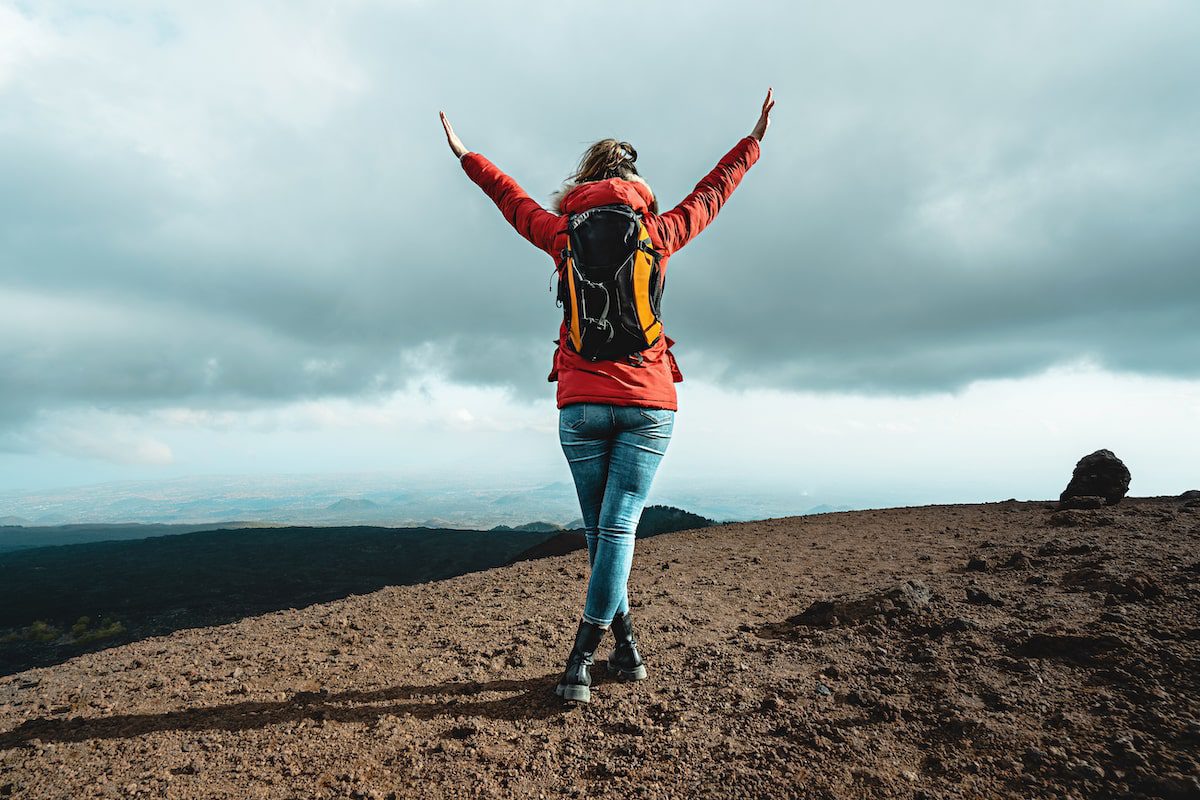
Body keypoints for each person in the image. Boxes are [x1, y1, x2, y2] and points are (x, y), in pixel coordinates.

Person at [439, 89, 774, 703]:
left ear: (585, 179)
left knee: (601, 532)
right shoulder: (659, 230)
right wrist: (752, 141)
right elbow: (713, 193)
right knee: (616, 529)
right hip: (647, 400)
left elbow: (509, 200)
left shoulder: (562, 231)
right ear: (634, 181)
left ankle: (621, 651)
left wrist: (467, 155)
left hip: (580, 400)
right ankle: (584, 658)